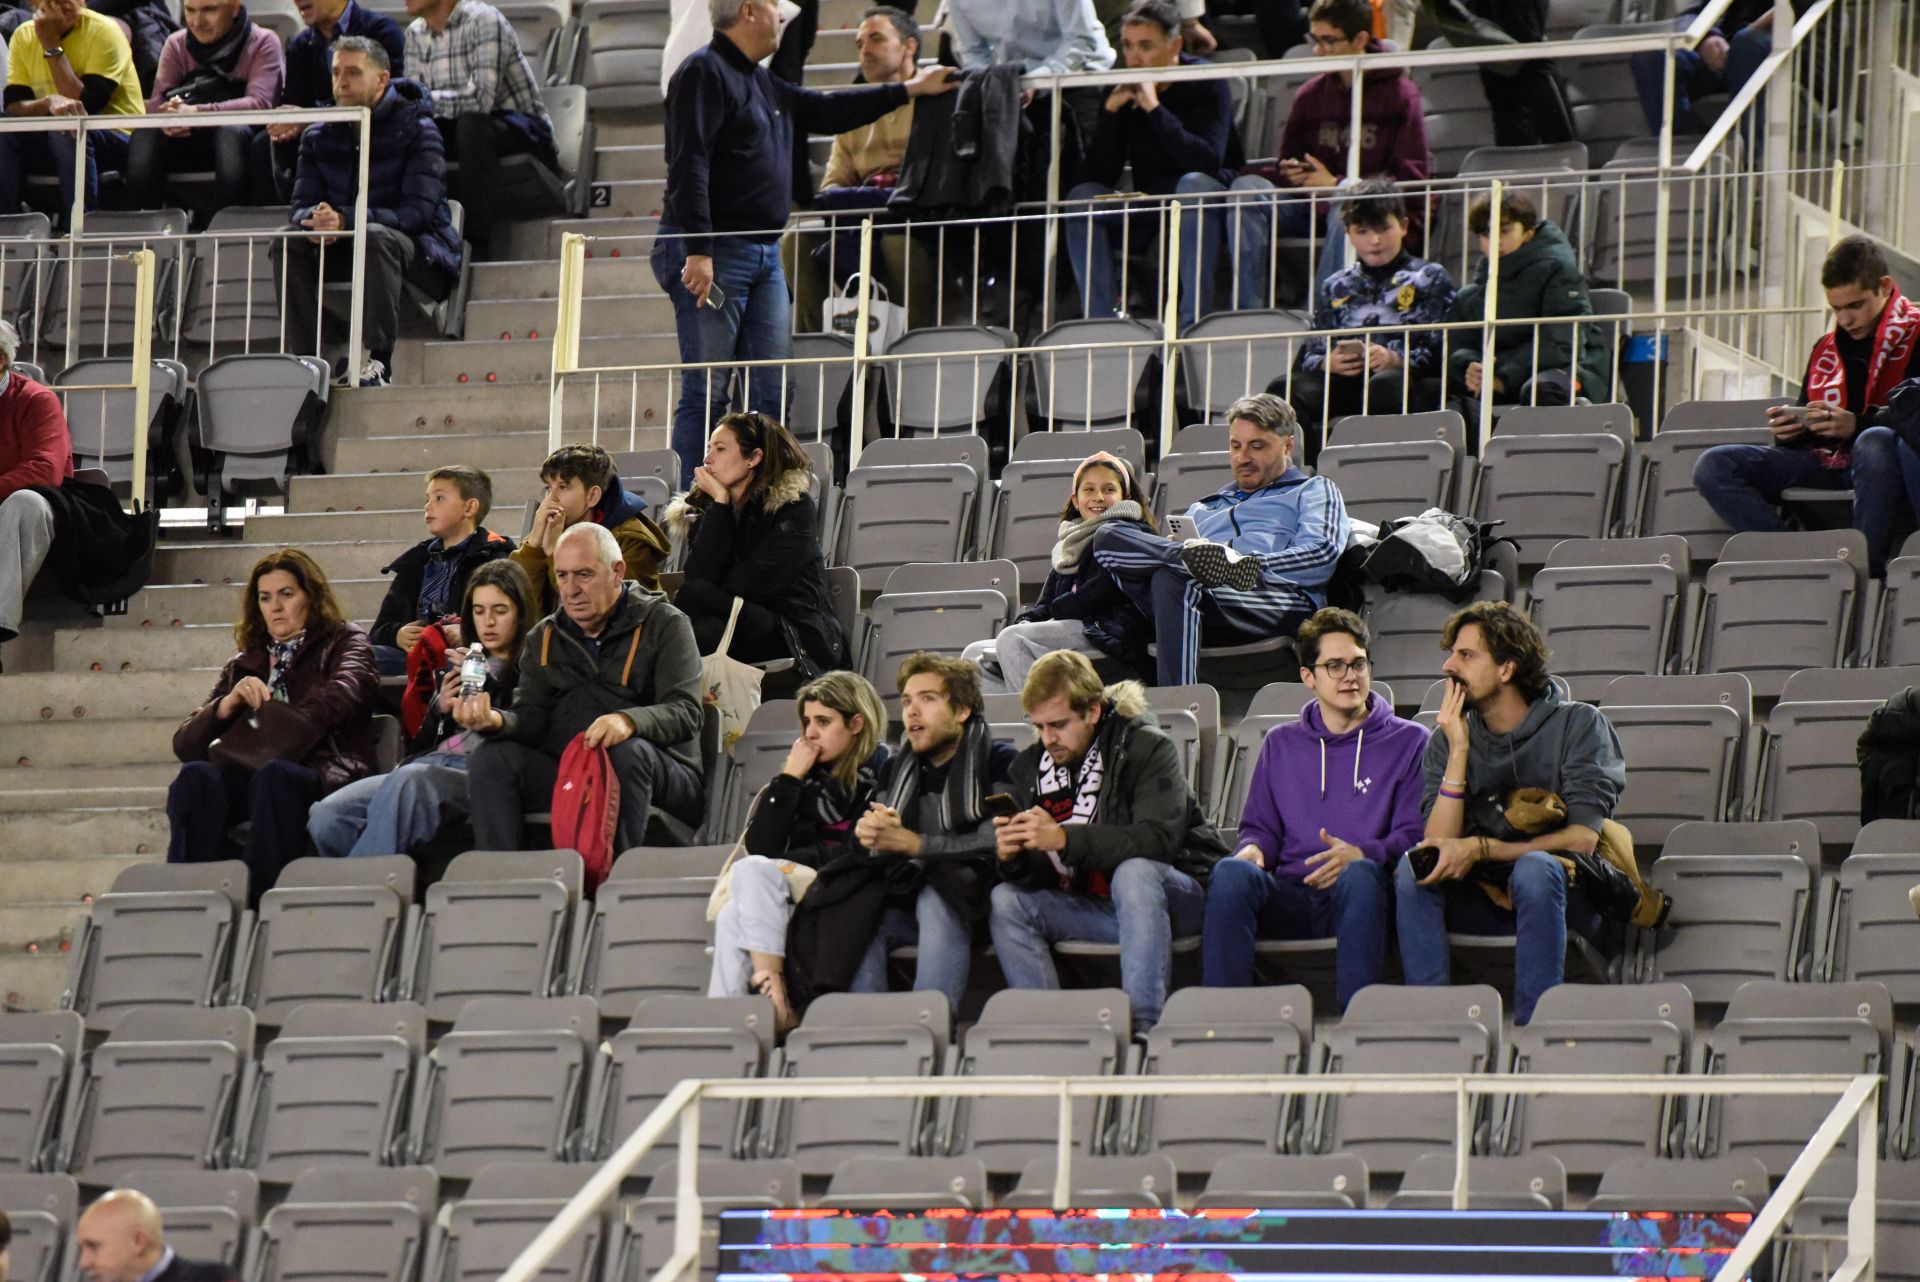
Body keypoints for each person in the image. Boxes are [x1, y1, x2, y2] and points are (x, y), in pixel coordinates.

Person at [654, 0, 955, 485]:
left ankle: (761, 493)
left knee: (772, 387)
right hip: (716, 251)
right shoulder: (703, 73)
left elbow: (826, 109)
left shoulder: (761, 79)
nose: (784, 15)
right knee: (708, 386)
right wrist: (699, 249)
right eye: (776, 5)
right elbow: (689, 163)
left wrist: (910, 89)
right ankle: (696, 497)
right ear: (750, 10)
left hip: (763, 253)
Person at [1394, 601, 1625, 1025]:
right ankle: (1431, 1026)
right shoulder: (1447, 739)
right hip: (1483, 897)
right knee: (1414, 870)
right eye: (1451, 653)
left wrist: (1482, 849)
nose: (1449, 666)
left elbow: (1582, 840)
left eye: (1466, 655)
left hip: (1565, 895)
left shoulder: (1579, 725)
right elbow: (1438, 846)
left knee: (1534, 869)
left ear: (1506, 668)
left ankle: (1535, 1030)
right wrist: (1459, 750)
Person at [1201, 608, 1425, 1009]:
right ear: (1309, 677)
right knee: (1231, 873)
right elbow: (1260, 829)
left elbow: (1414, 833)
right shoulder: (1280, 743)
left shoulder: (1410, 741)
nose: (1350, 676)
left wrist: (1364, 853)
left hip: (1366, 892)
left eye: (1357, 664)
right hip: (1292, 893)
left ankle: (1357, 1020)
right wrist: (1252, 852)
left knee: (1359, 875)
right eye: (1334, 666)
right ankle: (1226, 1019)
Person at [988, 650, 1225, 1029]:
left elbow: (1157, 841)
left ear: (1093, 711)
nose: (1049, 738)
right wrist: (1014, 856)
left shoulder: (1148, 748)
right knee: (1007, 900)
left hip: (1180, 899)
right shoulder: (1031, 767)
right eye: (1040, 726)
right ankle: (1043, 1031)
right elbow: (1045, 873)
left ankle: (1143, 1029)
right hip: (1099, 908)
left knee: (1134, 873)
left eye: (1059, 725)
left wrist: (1064, 838)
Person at [786, 653, 1015, 1014]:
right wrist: (868, 835)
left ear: (961, 711)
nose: (911, 711)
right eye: (907, 701)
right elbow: (875, 852)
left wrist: (915, 844)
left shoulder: (998, 759)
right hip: (906, 889)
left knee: (936, 896)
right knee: (858, 906)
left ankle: (928, 1026)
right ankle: (871, 1031)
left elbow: (997, 842)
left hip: (976, 900)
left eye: (928, 699)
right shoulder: (896, 767)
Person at [464, 522, 705, 851]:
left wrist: (628, 721)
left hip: (661, 770)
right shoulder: (544, 637)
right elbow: (531, 719)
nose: (571, 589)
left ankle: (613, 883)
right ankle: (503, 884)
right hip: (571, 770)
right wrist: (497, 721)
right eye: (562, 576)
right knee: (491, 757)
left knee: (625, 751)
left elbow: (686, 712)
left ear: (617, 571)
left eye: (584, 575)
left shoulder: (666, 624)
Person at [1693, 235, 1920, 579]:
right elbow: (1807, 410)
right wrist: (1792, 431)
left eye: (1855, 305)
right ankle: (1794, 560)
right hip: (1827, 461)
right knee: (1714, 465)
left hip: (1888, 462)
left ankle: (1863, 570)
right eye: (1836, 309)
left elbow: (1914, 417)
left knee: (1873, 441)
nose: (1845, 319)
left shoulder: (1916, 331)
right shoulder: (1826, 348)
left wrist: (1855, 426)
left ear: (1885, 287)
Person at [1091, 392, 1349, 687]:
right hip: (1200, 594)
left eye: (1257, 446)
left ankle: (1180, 705)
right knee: (1109, 533)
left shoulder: (1314, 490)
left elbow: (1322, 554)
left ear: (1288, 445)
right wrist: (1184, 555)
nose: (1243, 458)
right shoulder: (1203, 507)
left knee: (1174, 580)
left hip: (1275, 598)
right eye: (1235, 446)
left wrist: (1244, 565)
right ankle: (1188, 558)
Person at [168, 548, 380, 888]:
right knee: (196, 776)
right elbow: (185, 745)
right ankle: (194, 894)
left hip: (323, 769)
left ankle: (261, 896)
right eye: (265, 598)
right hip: (251, 772)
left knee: (275, 776)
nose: (275, 607)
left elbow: (342, 696)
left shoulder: (346, 641)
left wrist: (271, 718)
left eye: (286, 594)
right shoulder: (244, 662)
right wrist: (228, 704)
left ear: (311, 596)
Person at [308, 558, 534, 858]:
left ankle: (359, 895)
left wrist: (492, 682)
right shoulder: (456, 667)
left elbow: (528, 725)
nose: (488, 622)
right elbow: (423, 746)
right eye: (479, 611)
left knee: (409, 783)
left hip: (481, 772)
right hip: (433, 763)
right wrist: (439, 710)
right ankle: (379, 886)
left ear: (520, 614)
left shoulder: (532, 666)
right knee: (327, 815)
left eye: (500, 611)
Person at [707, 669, 891, 1029]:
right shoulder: (800, 778)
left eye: (823, 721)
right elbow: (761, 845)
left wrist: (791, 863)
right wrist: (789, 778)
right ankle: (729, 1026)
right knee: (734, 912)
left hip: (844, 888)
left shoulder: (885, 772)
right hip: (791, 886)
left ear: (856, 723)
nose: (810, 733)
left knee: (751, 873)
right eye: (807, 721)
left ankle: (773, 997)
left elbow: (860, 851)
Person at [279, 36, 462, 388]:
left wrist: (346, 219)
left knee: (375, 237)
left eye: (352, 73)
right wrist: (318, 218)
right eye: (335, 73)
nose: (341, 83)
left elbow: (417, 214)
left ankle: (380, 362)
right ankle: (305, 361)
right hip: (346, 245)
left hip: (421, 251)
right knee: (288, 241)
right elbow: (299, 205)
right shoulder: (318, 135)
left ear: (382, 79)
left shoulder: (419, 130)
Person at [1224, 0, 1429, 311]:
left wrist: (1336, 183)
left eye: (1328, 41)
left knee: (1346, 200)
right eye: (1314, 40)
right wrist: (1293, 173)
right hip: (1308, 204)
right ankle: (1248, 311)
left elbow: (1410, 178)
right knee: (1245, 193)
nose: (1318, 52)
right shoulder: (1310, 94)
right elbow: (1288, 160)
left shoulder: (1401, 94)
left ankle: (1320, 314)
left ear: (1360, 40)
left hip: (1366, 210)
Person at [1062, 0, 1241, 330]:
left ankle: (1190, 324)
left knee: (1191, 185)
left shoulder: (1207, 80)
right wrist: (1111, 116)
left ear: (1175, 45)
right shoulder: (1121, 87)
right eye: (1128, 46)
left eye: (1146, 46)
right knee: (1082, 198)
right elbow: (1098, 174)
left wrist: (1154, 108)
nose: (1134, 58)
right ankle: (1102, 323)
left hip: (1207, 196)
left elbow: (1206, 162)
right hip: (1150, 200)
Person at [782, 5, 938, 332]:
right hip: (865, 219)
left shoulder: (939, 95)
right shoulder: (854, 108)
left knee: (897, 242)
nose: (865, 50)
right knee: (795, 240)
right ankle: (824, 345)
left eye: (876, 39)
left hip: (924, 220)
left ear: (909, 46)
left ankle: (909, 350)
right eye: (859, 44)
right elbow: (834, 184)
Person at [1280, 180, 1455, 455]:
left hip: (1405, 382)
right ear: (1349, 234)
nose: (1374, 240)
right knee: (1283, 389)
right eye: (1362, 231)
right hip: (1344, 384)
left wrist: (1395, 359)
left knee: (1387, 384)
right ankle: (1312, 472)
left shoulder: (1430, 277)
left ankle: (1381, 468)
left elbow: (1443, 350)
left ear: (1404, 226)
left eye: (1384, 228)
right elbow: (1310, 354)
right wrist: (1328, 362)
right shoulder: (1335, 284)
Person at [963, 450, 1154, 693]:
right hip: (1075, 625)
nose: (1098, 497)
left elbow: (1104, 593)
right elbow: (1047, 602)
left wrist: (1057, 610)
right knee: (974, 654)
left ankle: (1042, 724)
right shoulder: (1070, 543)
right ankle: (1006, 727)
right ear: (1076, 500)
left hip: (1108, 629)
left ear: (1125, 497)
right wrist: (1028, 620)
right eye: (1089, 490)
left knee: (1014, 641)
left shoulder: (1130, 533)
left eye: (1108, 490)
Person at [668, 412, 846, 672]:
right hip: (734, 624)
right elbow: (700, 573)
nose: (707, 459)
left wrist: (712, 588)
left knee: (692, 597)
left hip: (791, 632)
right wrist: (719, 503)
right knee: (705, 631)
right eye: (708, 449)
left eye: (720, 449)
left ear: (753, 458)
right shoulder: (714, 508)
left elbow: (748, 583)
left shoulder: (792, 507)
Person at [402, 0, 558, 258]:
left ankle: (475, 244)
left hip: (521, 127)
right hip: (462, 127)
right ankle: (418, 236)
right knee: (412, 130)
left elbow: (481, 100)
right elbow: (412, 106)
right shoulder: (414, 33)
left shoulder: (484, 20)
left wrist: (424, 101)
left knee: (471, 125)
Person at [1444, 188, 1607, 413]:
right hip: (1501, 378)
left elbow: (1561, 343)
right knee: (1433, 394)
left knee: (1541, 390)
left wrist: (1501, 374)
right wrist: (1471, 368)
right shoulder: (1469, 296)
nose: (1494, 241)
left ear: (1528, 233)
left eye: (1504, 231)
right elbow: (1458, 348)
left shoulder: (1559, 272)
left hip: (1568, 370)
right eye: (1485, 234)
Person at [123, 0, 282, 226]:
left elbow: (260, 104)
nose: (197, 22)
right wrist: (167, 115)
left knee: (230, 133)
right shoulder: (176, 43)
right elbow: (157, 106)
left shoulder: (264, 41)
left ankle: (229, 231)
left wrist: (198, 113)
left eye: (209, 10)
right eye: (190, 11)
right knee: (145, 135)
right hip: (187, 141)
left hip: (240, 140)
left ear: (234, 8)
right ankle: (141, 231)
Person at [0, 0, 142, 219]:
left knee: (69, 129)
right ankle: (7, 228)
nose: (64, 7)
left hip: (118, 138)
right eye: (54, 1)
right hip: (55, 139)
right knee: (5, 130)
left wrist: (50, 45)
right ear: (34, 4)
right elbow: (13, 106)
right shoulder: (23, 35)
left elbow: (85, 104)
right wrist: (48, 102)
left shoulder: (105, 31)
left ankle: (78, 230)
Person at [368, 464, 513, 677]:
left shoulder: (496, 559)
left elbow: (509, 627)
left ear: (470, 508)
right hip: (414, 654)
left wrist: (469, 633)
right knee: (356, 657)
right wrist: (397, 634)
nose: (428, 506)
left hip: (464, 655)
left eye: (439, 498)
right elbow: (380, 630)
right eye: (427, 499)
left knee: (463, 664)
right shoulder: (416, 562)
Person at [256, 0, 406, 202]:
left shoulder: (382, 31)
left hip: (373, 125)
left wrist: (311, 118)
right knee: (266, 141)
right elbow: (294, 105)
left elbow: (386, 98)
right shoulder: (299, 45)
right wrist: (288, 122)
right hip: (320, 130)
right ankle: (291, 216)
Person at [514, 443, 671, 613]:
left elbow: (606, 612)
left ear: (592, 496)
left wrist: (554, 554)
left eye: (563, 487)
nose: (550, 499)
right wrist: (533, 546)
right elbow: (517, 606)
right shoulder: (553, 527)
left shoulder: (630, 540)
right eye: (548, 488)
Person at [0, 321, 73, 670]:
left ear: (0, 360)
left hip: (36, 511)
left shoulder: (35, 400)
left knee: (23, 503)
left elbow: (45, 469)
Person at [1630, 0, 1776, 134]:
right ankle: (1679, 147)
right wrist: (1706, 37)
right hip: (1721, 54)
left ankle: (1751, 153)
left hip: (1769, 55)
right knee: (1650, 56)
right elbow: (1689, 14)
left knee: (1748, 42)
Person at [74, 1190, 237, 1282]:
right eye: (81, 1249)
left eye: (94, 1246)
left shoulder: (212, 1279)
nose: (83, 1263)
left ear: (138, 1241)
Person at [947, 0, 1113, 76]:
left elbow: (1080, 42)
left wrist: (1038, 80)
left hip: (1079, 77)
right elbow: (974, 52)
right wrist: (989, 83)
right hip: (1013, 86)